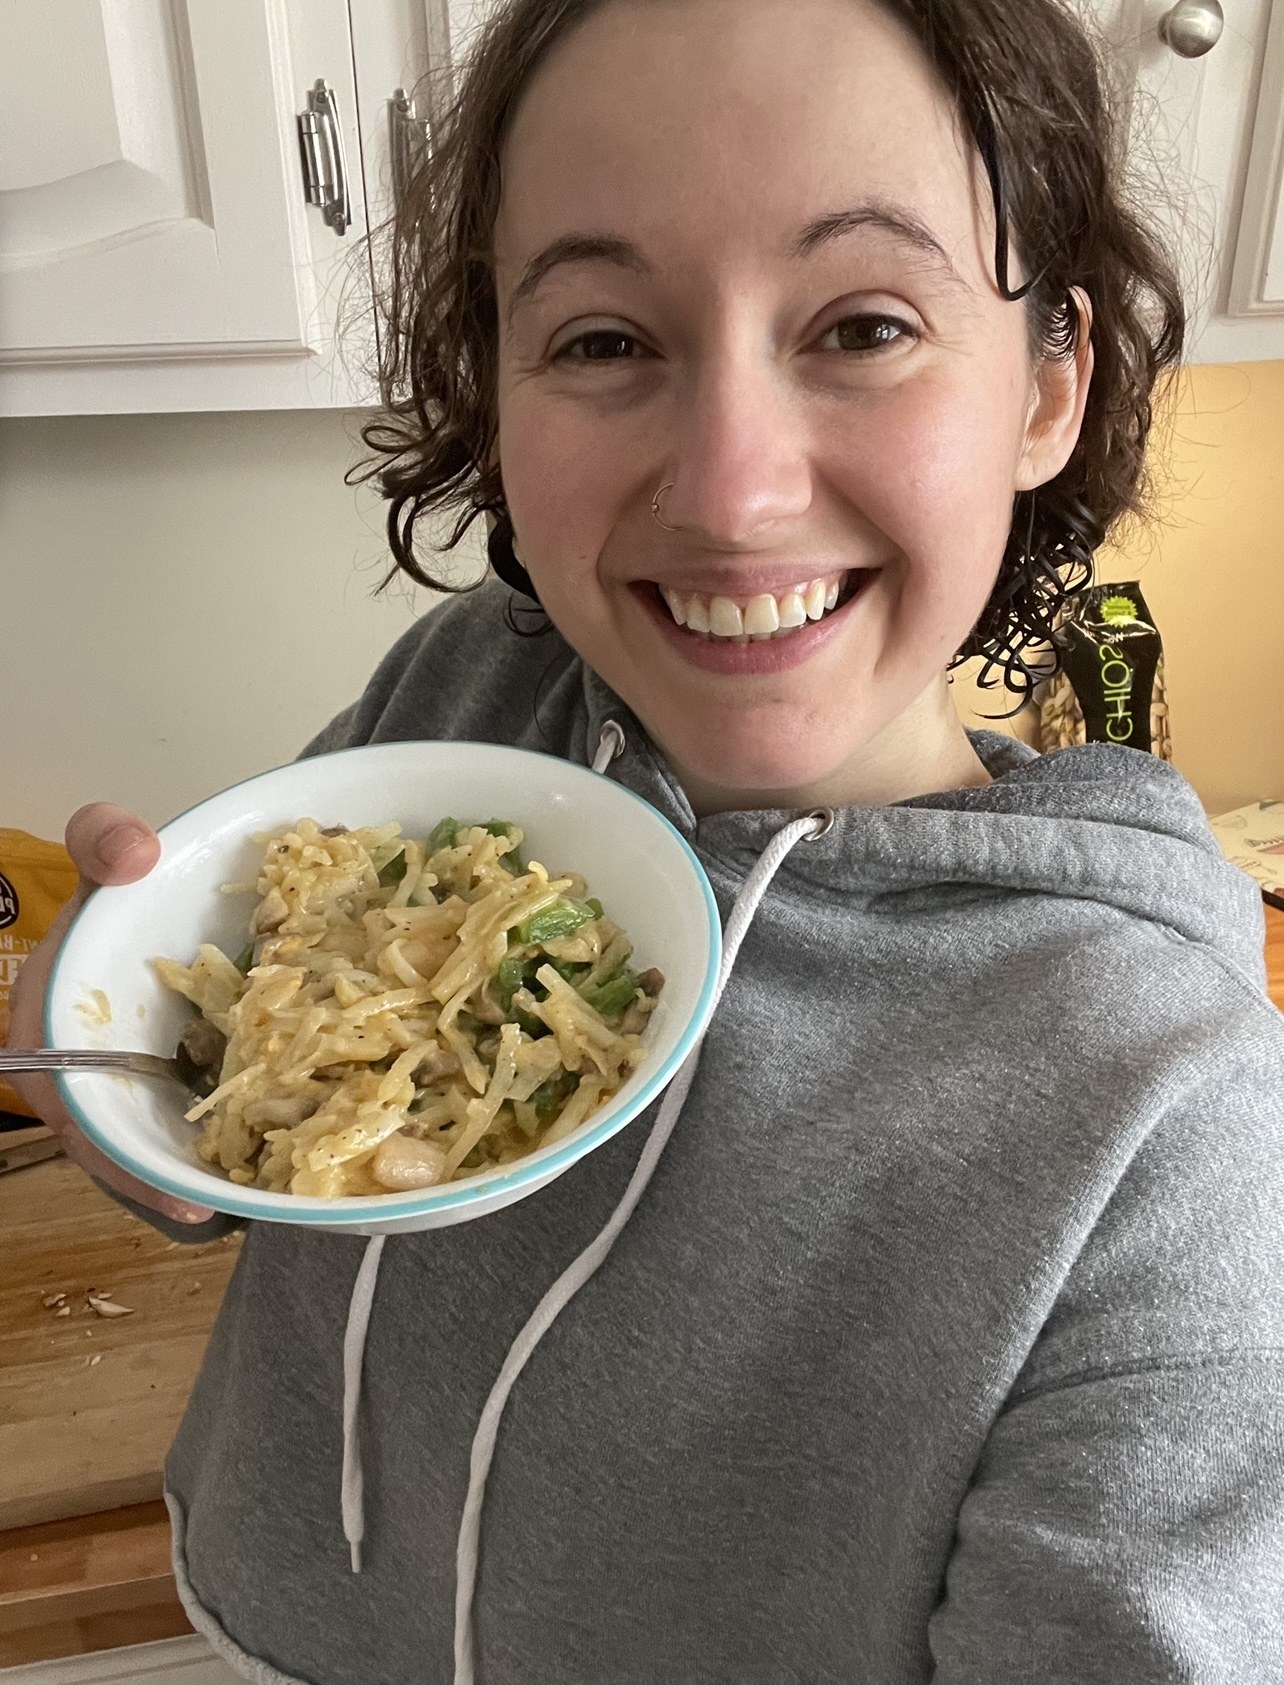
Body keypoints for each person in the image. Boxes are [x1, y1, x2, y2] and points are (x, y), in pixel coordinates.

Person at [10, 0, 1284, 1679]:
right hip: (251, 1613)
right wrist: (114, 1054)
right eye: (605, 339)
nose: (733, 490)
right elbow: (265, 1104)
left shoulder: (1175, 1125)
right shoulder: (472, 689)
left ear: (1051, 383)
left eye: (867, 322)